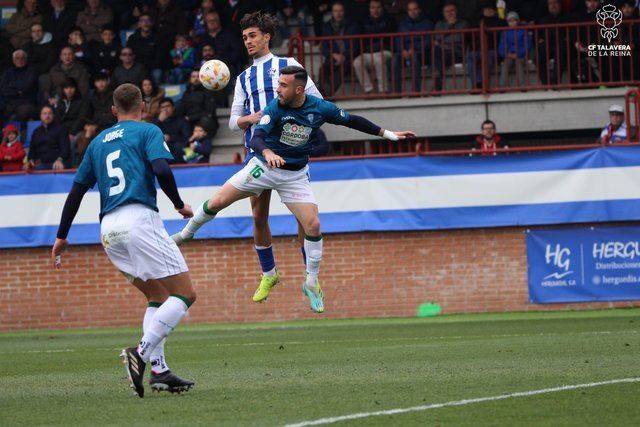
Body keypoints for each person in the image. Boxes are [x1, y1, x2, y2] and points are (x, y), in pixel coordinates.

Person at [172, 65, 415, 313]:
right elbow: (257, 138)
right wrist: (267, 152)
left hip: (295, 176)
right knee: (217, 203)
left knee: (313, 225)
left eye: (283, 85)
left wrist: (388, 134)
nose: (278, 89)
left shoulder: (320, 108)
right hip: (264, 167)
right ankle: (186, 234)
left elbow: (352, 121)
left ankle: (311, 282)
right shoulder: (275, 107)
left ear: (299, 89)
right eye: (278, 84)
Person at [50, 83, 197, 398]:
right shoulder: (147, 132)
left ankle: (159, 370)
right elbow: (161, 168)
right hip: (138, 219)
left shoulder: (97, 142)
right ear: (143, 106)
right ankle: (141, 354)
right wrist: (178, 204)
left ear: (113, 110)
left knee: (157, 296)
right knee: (185, 294)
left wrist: (62, 236)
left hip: (108, 229)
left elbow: (76, 191)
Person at [227, 12, 323, 305]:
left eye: (253, 35)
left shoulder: (289, 66)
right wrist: (253, 117)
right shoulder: (244, 78)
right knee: (258, 216)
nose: (248, 41)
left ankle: (311, 279)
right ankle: (269, 273)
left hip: (291, 154)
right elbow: (233, 122)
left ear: (267, 36)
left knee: (304, 220)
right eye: (245, 37)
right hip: (258, 153)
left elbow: (316, 100)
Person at [351, 0, 396, 94]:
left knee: (378, 59)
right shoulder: (363, 21)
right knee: (357, 62)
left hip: (385, 51)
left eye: (378, 7)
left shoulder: (389, 20)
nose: (376, 10)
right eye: (373, 8)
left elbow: (389, 38)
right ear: (369, 9)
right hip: (368, 53)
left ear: (382, 8)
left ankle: (383, 90)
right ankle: (369, 90)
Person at [319, 1, 358, 96]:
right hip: (333, 57)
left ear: (344, 12)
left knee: (342, 69)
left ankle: (327, 94)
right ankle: (324, 92)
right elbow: (323, 47)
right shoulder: (327, 26)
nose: (338, 13)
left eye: (340, 11)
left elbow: (356, 46)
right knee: (323, 69)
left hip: (348, 59)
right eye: (335, 11)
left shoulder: (352, 25)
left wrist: (344, 56)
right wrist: (333, 55)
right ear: (332, 12)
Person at [393, 1, 433, 93]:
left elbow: (428, 41)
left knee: (415, 58)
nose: (413, 12)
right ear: (407, 11)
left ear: (419, 10)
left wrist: (414, 48)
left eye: (415, 9)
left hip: (422, 53)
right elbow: (398, 40)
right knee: (395, 59)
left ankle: (415, 91)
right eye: (410, 10)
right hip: (405, 53)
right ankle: (397, 92)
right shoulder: (402, 25)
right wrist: (402, 50)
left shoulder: (428, 23)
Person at [466, 2, 505, 90]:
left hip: (492, 50)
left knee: (489, 57)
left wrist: (486, 32)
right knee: (470, 57)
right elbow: (470, 35)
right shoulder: (477, 22)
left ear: (495, 11)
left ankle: (481, 84)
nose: (488, 11)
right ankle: (477, 84)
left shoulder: (500, 22)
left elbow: (499, 36)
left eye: (490, 10)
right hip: (477, 50)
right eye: (486, 10)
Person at [26, 105, 71, 170]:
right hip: (42, 163)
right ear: (40, 116)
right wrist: (30, 160)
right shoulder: (36, 132)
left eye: (50, 113)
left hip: (58, 162)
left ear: (53, 115)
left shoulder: (61, 129)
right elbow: (32, 151)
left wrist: (60, 160)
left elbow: (65, 149)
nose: (47, 116)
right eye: (44, 114)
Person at [0, 50, 39, 123]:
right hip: (9, 101)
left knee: (24, 111)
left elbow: (27, 86)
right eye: (17, 58)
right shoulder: (7, 72)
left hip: (25, 101)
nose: (20, 60)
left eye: (22, 58)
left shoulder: (31, 71)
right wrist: (17, 91)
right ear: (13, 60)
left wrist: (11, 85)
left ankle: (14, 132)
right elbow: (2, 89)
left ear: (26, 60)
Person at [178, 69, 219, 135]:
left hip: (203, 121)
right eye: (193, 77)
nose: (196, 79)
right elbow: (182, 109)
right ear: (190, 79)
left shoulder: (207, 92)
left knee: (205, 121)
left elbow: (209, 111)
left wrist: (191, 118)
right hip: (189, 122)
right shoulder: (186, 93)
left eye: (198, 77)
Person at [498, 11, 532, 88]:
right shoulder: (504, 33)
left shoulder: (523, 31)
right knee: (505, 65)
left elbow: (527, 45)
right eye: (510, 21)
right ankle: (502, 86)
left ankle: (522, 85)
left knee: (519, 64)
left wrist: (518, 54)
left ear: (517, 21)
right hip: (509, 55)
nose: (512, 23)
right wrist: (506, 54)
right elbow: (501, 47)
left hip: (521, 55)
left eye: (514, 20)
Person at [154, 98, 191, 163]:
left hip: (177, 152)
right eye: (163, 107)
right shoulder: (156, 122)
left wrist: (170, 138)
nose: (165, 109)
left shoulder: (182, 121)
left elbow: (187, 139)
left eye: (168, 106)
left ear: (173, 108)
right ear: (160, 110)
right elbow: (148, 136)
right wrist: (158, 121)